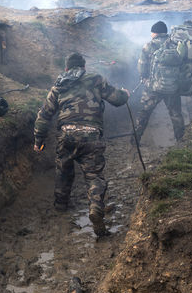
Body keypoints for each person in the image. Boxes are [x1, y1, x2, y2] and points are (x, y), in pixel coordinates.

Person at [33, 53, 129, 237]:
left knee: (63, 171)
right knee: (94, 177)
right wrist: (125, 94)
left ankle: (61, 207)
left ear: (67, 69)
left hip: (66, 134)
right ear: (84, 67)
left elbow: (44, 115)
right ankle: (95, 208)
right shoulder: (96, 79)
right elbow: (117, 99)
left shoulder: (58, 86)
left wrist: (38, 141)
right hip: (91, 135)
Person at [134, 21, 188, 144]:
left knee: (144, 113)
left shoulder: (149, 46)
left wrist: (144, 78)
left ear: (155, 33)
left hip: (153, 88)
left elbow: (142, 66)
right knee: (176, 114)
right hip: (173, 87)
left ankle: (135, 140)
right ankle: (181, 140)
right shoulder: (176, 45)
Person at [170, 20, 192, 120]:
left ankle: (176, 117)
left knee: (173, 92)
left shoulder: (176, 32)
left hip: (173, 66)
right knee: (189, 91)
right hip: (188, 67)